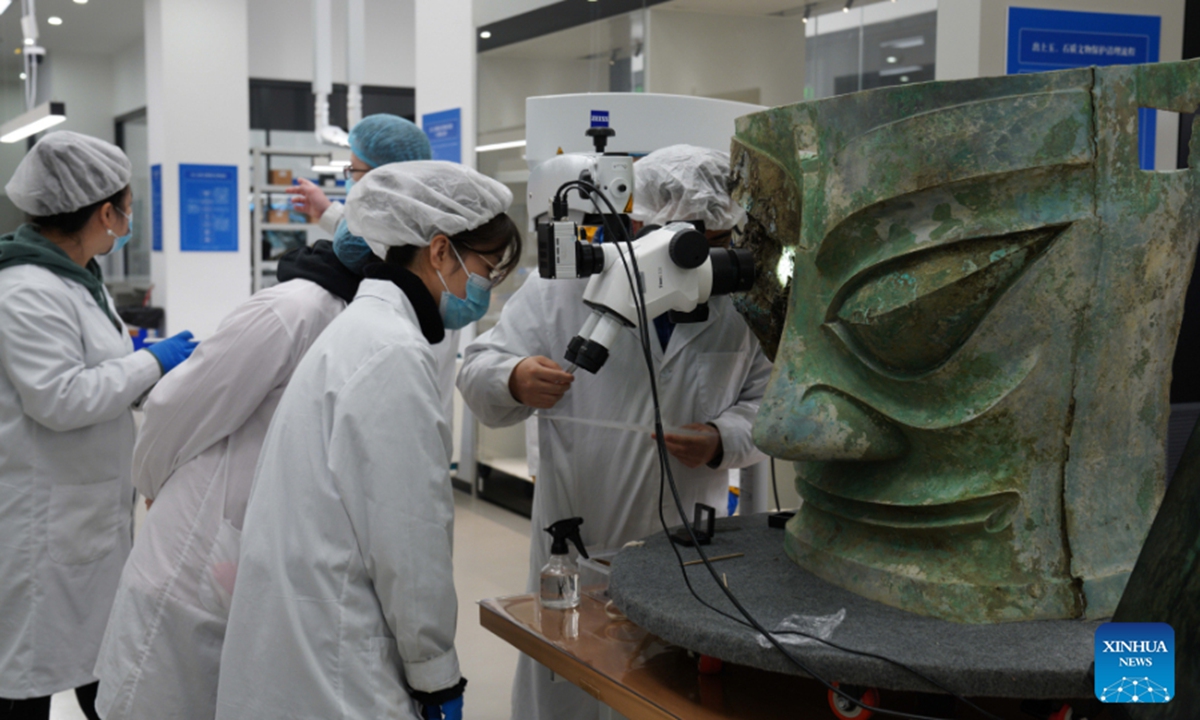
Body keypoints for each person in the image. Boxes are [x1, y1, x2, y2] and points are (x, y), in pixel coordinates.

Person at [92, 115, 433, 720]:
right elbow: (176, 408)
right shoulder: (293, 308)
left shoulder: (382, 323)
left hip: (269, 567)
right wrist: (152, 487)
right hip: (198, 557)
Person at [457, 144, 772, 720]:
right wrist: (515, 377)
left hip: (689, 548)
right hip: (577, 539)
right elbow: (477, 369)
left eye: (713, 242)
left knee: (669, 690)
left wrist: (723, 438)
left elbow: (769, 406)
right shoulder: (563, 291)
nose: (696, 262)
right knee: (570, 689)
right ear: (635, 224)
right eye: (680, 243)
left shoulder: (738, 308)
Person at [214, 161, 521, 720]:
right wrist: (436, 677)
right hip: (337, 660)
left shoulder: (362, 329)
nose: (484, 287)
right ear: (439, 251)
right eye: (485, 267)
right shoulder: (393, 354)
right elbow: (409, 540)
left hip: (306, 631)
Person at [0, 132, 197, 720]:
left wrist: (150, 374)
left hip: (85, 510)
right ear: (106, 212)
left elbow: (98, 375)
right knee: (27, 679)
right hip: (43, 516)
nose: (129, 220)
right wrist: (150, 362)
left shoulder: (77, 279)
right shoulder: (25, 289)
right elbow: (60, 398)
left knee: (100, 666)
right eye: (128, 208)